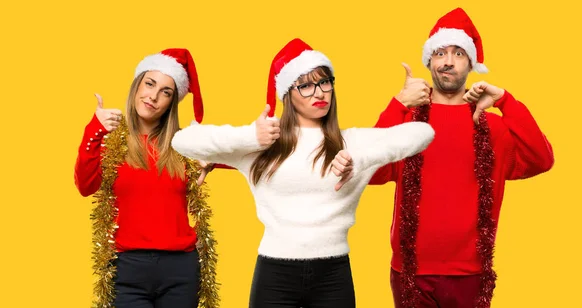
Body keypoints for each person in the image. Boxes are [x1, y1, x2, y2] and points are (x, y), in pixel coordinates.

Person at [171, 38, 435, 308]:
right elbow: (183, 141)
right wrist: (251, 136)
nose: (319, 93)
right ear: (288, 93)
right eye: (306, 86)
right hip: (274, 274)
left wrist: (358, 160)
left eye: (324, 82)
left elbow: (423, 133)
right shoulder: (262, 146)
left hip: (333, 275)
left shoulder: (351, 143)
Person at [366, 8, 555, 308]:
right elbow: (370, 170)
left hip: (472, 275)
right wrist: (398, 104)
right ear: (429, 61)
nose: (448, 61)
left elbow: (541, 158)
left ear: (471, 63)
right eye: (440, 52)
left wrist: (505, 100)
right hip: (411, 273)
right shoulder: (407, 121)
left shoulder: (491, 126)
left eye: (458, 53)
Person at [74, 48, 220, 308]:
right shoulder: (111, 140)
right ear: (137, 85)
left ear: (171, 103)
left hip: (180, 269)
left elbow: (169, 198)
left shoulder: (183, 145)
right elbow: (86, 186)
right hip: (127, 269)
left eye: (166, 92)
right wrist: (93, 130)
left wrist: (205, 168)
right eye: (150, 84)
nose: (153, 97)